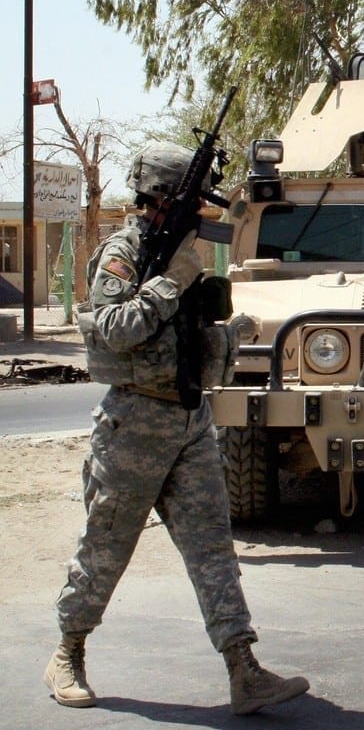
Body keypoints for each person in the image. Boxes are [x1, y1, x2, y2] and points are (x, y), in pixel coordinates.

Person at [45, 142, 310, 715]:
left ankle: (244, 669)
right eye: (188, 202)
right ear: (161, 200)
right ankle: (67, 652)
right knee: (107, 548)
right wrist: (171, 281)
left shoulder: (186, 251)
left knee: (213, 548)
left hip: (191, 419)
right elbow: (115, 329)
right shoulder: (125, 253)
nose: (200, 216)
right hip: (135, 425)